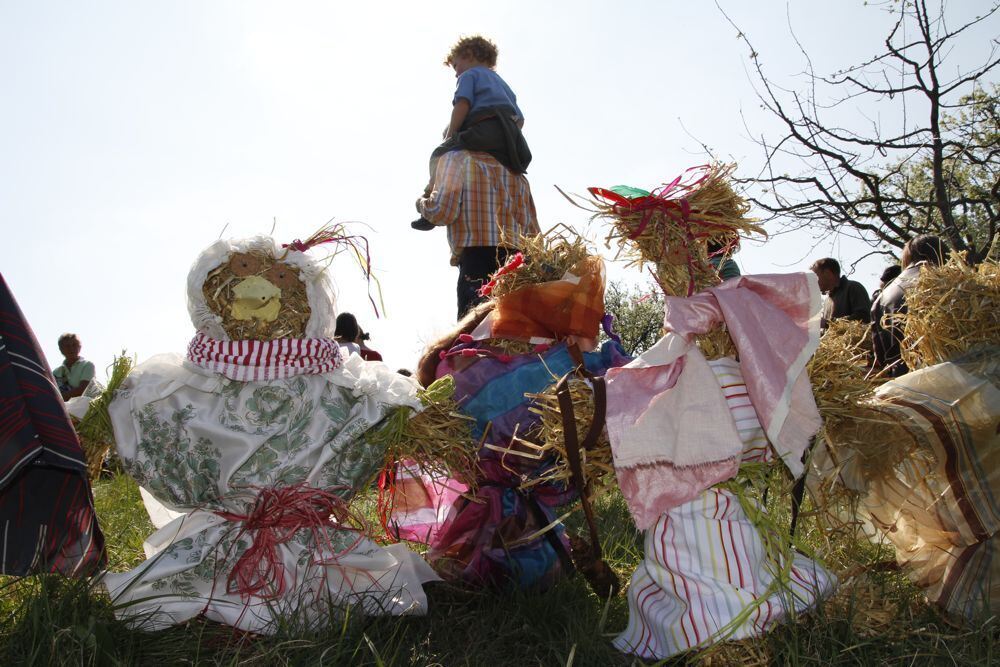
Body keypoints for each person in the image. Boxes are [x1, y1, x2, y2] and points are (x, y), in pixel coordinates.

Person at [412, 35, 531, 231]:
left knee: (439, 154)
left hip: (483, 129)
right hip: (510, 138)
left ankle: (430, 201)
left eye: (456, 66)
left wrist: (450, 136)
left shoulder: (469, 75)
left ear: (468, 55)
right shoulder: (503, 84)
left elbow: (462, 104)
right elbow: (520, 120)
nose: (456, 74)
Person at [416, 149, 541, 319]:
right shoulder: (516, 172)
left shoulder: (456, 158)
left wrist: (421, 203)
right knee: (514, 329)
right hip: (517, 267)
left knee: (476, 328)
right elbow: (534, 236)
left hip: (476, 262)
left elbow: (442, 212)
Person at [870, 234, 948, 377]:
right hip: (961, 376)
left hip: (907, 379)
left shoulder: (880, 298)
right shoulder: (956, 283)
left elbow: (881, 358)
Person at [810, 257, 872, 328]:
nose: (813, 282)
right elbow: (828, 330)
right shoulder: (827, 300)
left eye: (815, 277)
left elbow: (863, 317)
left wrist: (829, 323)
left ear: (828, 273)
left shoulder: (854, 287)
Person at [53, 333, 95, 401]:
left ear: (79, 347)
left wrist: (57, 398)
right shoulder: (56, 372)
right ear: (61, 349)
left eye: (74, 345)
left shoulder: (87, 365)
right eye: (67, 346)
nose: (71, 348)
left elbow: (83, 391)